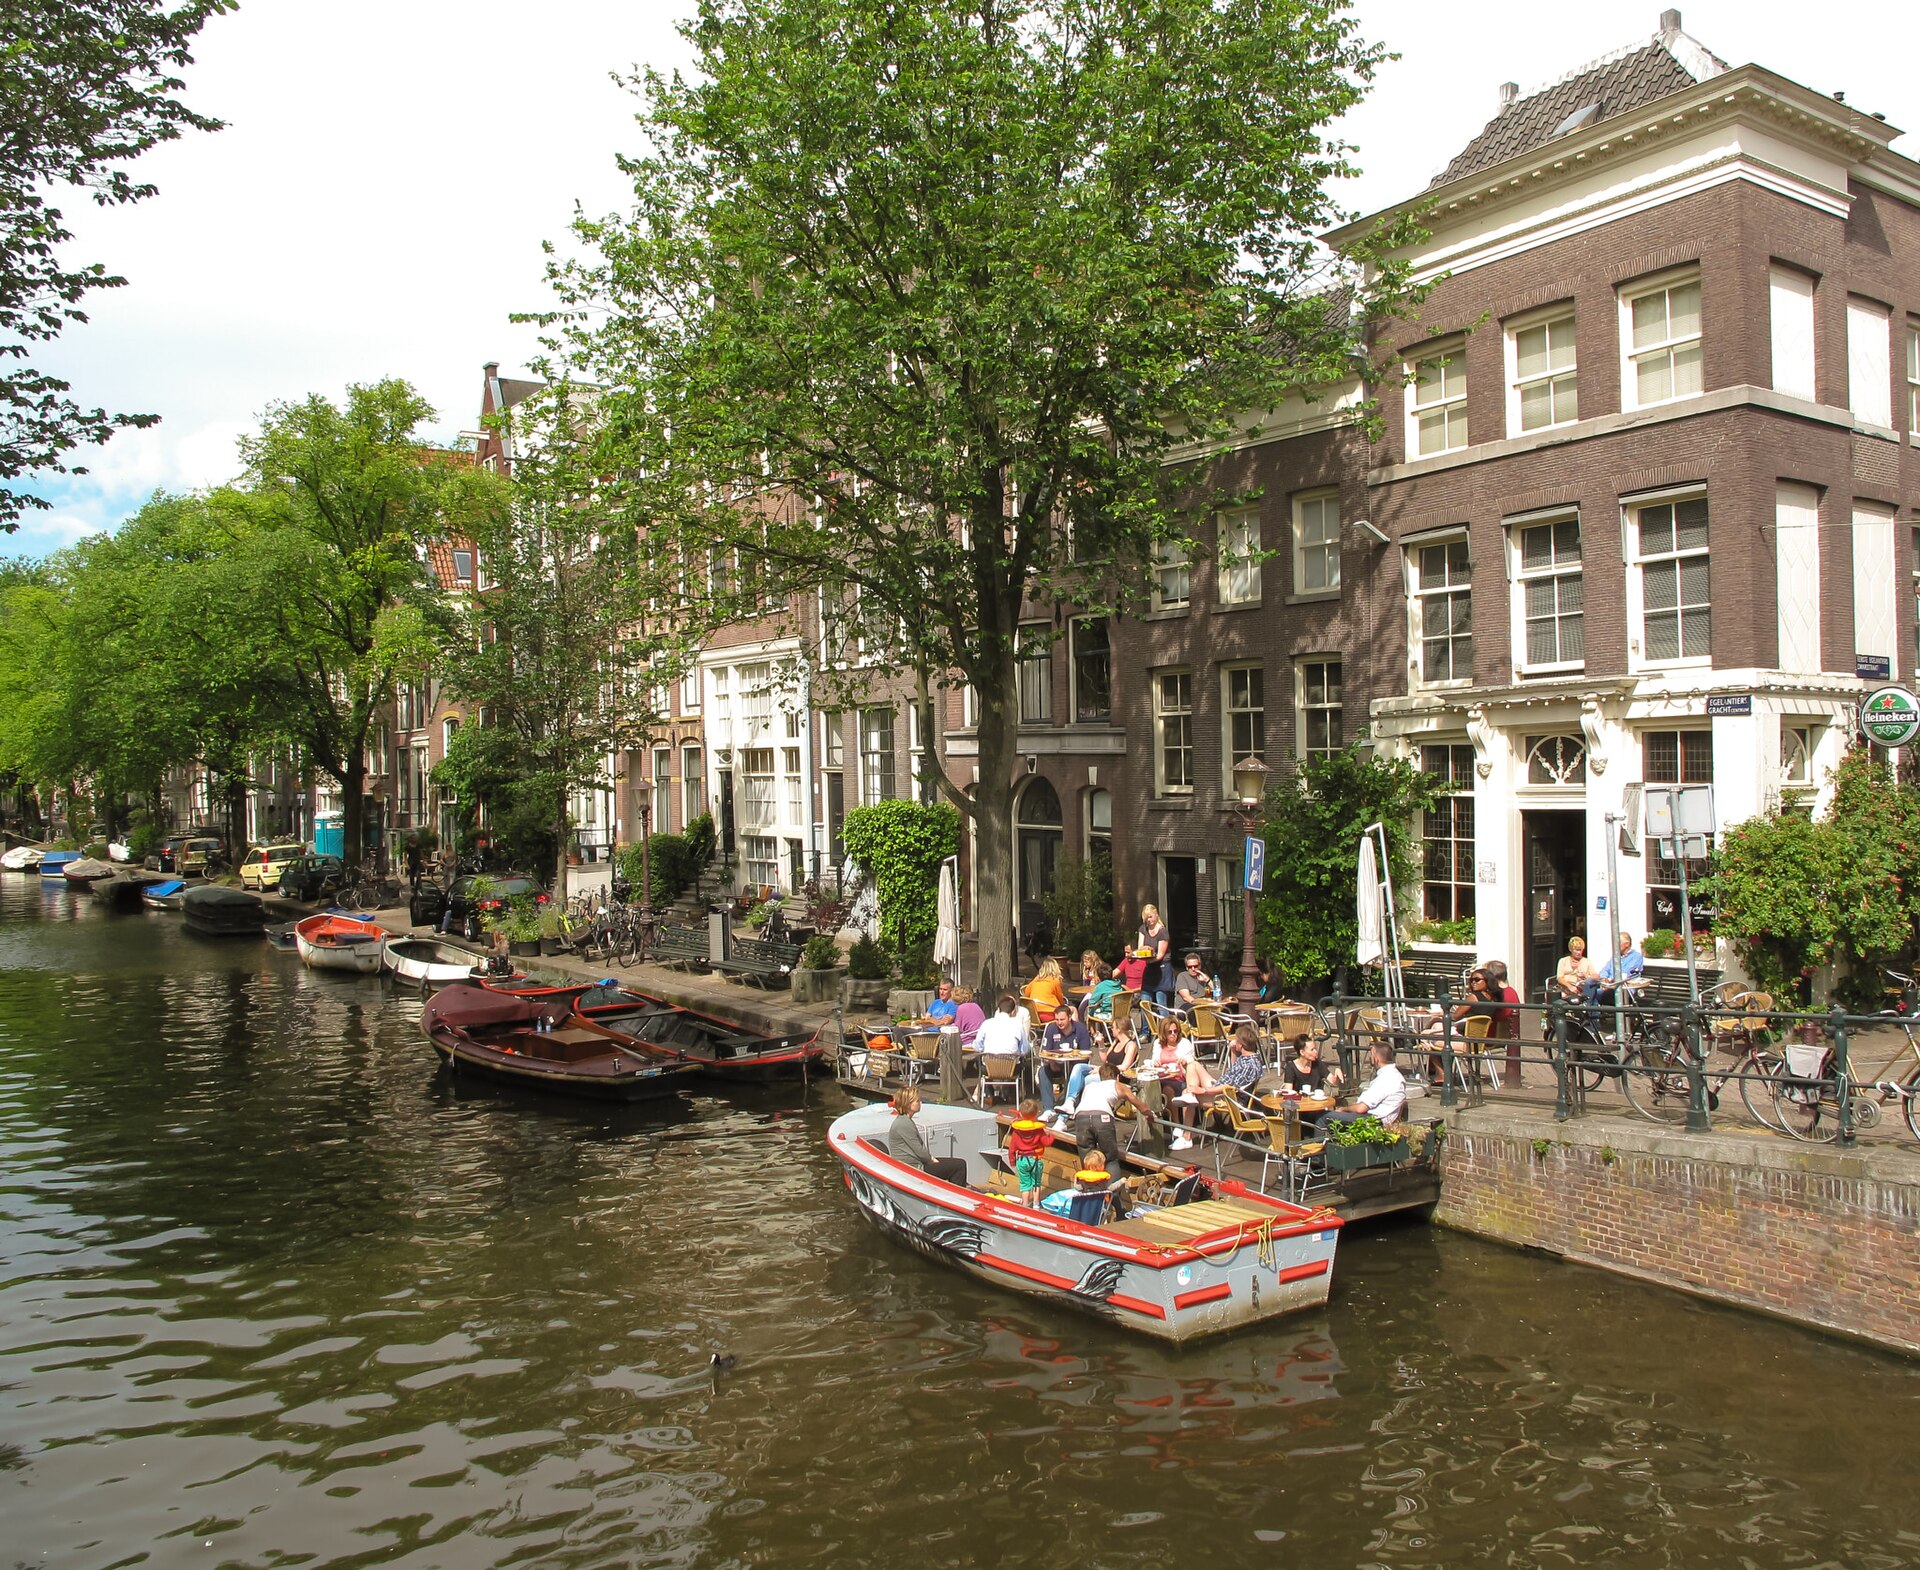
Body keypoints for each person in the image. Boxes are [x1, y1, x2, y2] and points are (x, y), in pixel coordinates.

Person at [1071, 1061, 1151, 1165]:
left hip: (1081, 1117)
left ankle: (1088, 1180)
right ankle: (1112, 1180)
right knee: (1110, 1157)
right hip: (1102, 1117)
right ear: (1117, 1077)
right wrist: (1151, 1115)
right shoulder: (1118, 1085)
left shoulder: (1090, 1086)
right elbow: (1142, 1108)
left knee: (1087, 1159)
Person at [1319, 1040, 1408, 1134]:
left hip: (1372, 1121)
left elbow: (1361, 1108)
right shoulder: (1395, 1075)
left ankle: (1317, 1147)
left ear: (1376, 1058)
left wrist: (1343, 1109)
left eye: (1371, 1054)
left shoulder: (1386, 1078)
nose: (1370, 1057)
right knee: (1335, 1123)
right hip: (1377, 1120)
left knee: (1322, 1117)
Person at [887, 1087, 968, 1185]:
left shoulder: (904, 1121)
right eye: (917, 1101)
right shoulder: (904, 1124)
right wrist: (931, 1159)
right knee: (959, 1165)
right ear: (907, 1104)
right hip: (914, 1168)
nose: (920, 1103)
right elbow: (919, 1150)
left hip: (914, 1165)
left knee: (951, 1165)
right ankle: (957, 1197)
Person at [1005, 1098, 1053, 1209]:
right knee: (1036, 1183)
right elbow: (1047, 1142)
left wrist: (1012, 1161)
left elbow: (1012, 1148)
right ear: (1036, 1114)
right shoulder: (1039, 1130)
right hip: (1035, 1160)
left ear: (1020, 1114)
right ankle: (1036, 1204)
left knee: (1025, 1185)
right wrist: (1049, 1135)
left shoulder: (1017, 1132)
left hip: (1021, 1161)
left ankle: (1025, 1205)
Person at [1281, 1036, 1345, 1095]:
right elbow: (1288, 1093)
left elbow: (1334, 1082)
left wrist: (1338, 1073)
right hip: (1298, 1104)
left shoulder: (1317, 1063)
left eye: (1315, 1049)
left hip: (1317, 1104)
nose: (1316, 1052)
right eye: (1312, 1050)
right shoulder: (1291, 1067)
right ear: (1302, 1052)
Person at [1136, 904, 1172, 1007]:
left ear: (1156, 915)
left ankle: (1164, 1022)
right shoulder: (1143, 929)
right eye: (1146, 918)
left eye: (1150, 916)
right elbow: (1140, 948)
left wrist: (1147, 958)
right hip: (1149, 968)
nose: (1149, 920)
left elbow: (1160, 955)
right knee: (1145, 1003)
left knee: (1161, 1003)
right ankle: (1146, 1023)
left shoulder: (1163, 932)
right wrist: (1144, 949)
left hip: (1162, 968)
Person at [1172, 952, 1221, 1017]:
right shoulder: (1182, 976)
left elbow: (1217, 992)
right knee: (1198, 1013)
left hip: (1203, 1005)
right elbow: (1186, 997)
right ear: (1186, 968)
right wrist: (1202, 1006)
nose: (1193, 969)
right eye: (1190, 967)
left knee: (1224, 1012)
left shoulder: (1203, 977)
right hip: (1186, 1007)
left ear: (1199, 966)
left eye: (1195, 966)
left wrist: (1207, 980)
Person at [1554, 936, 1597, 1001]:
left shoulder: (1587, 961)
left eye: (1580, 950)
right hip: (1565, 987)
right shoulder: (1563, 961)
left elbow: (1596, 976)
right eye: (1576, 950)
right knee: (1555, 995)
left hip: (1579, 989)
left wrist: (1587, 976)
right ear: (1571, 949)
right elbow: (1560, 978)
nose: (1579, 952)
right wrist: (1570, 986)